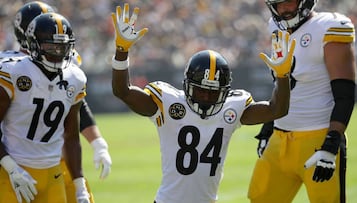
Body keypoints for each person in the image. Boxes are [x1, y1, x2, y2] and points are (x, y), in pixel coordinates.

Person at [110, 3, 296, 203]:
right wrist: (122, 51)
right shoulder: (168, 103)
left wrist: (283, 76)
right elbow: (123, 91)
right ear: (187, 85)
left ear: (225, 92)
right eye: (201, 91)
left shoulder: (231, 107)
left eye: (213, 93)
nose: (206, 98)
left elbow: (278, 109)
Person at [0, 1, 113, 202]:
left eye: (60, 46)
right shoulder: (11, 69)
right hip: (13, 156)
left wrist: (98, 143)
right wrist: (9, 165)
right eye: (49, 43)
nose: (56, 51)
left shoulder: (72, 73)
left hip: (55, 161)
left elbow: (73, 110)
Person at [248, 0, 357, 203]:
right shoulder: (275, 27)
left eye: (288, 2)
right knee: (259, 199)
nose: (283, 9)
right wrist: (269, 125)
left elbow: (345, 95)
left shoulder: (329, 27)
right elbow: (284, 83)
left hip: (317, 138)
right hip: (279, 138)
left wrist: (331, 144)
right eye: (278, 4)